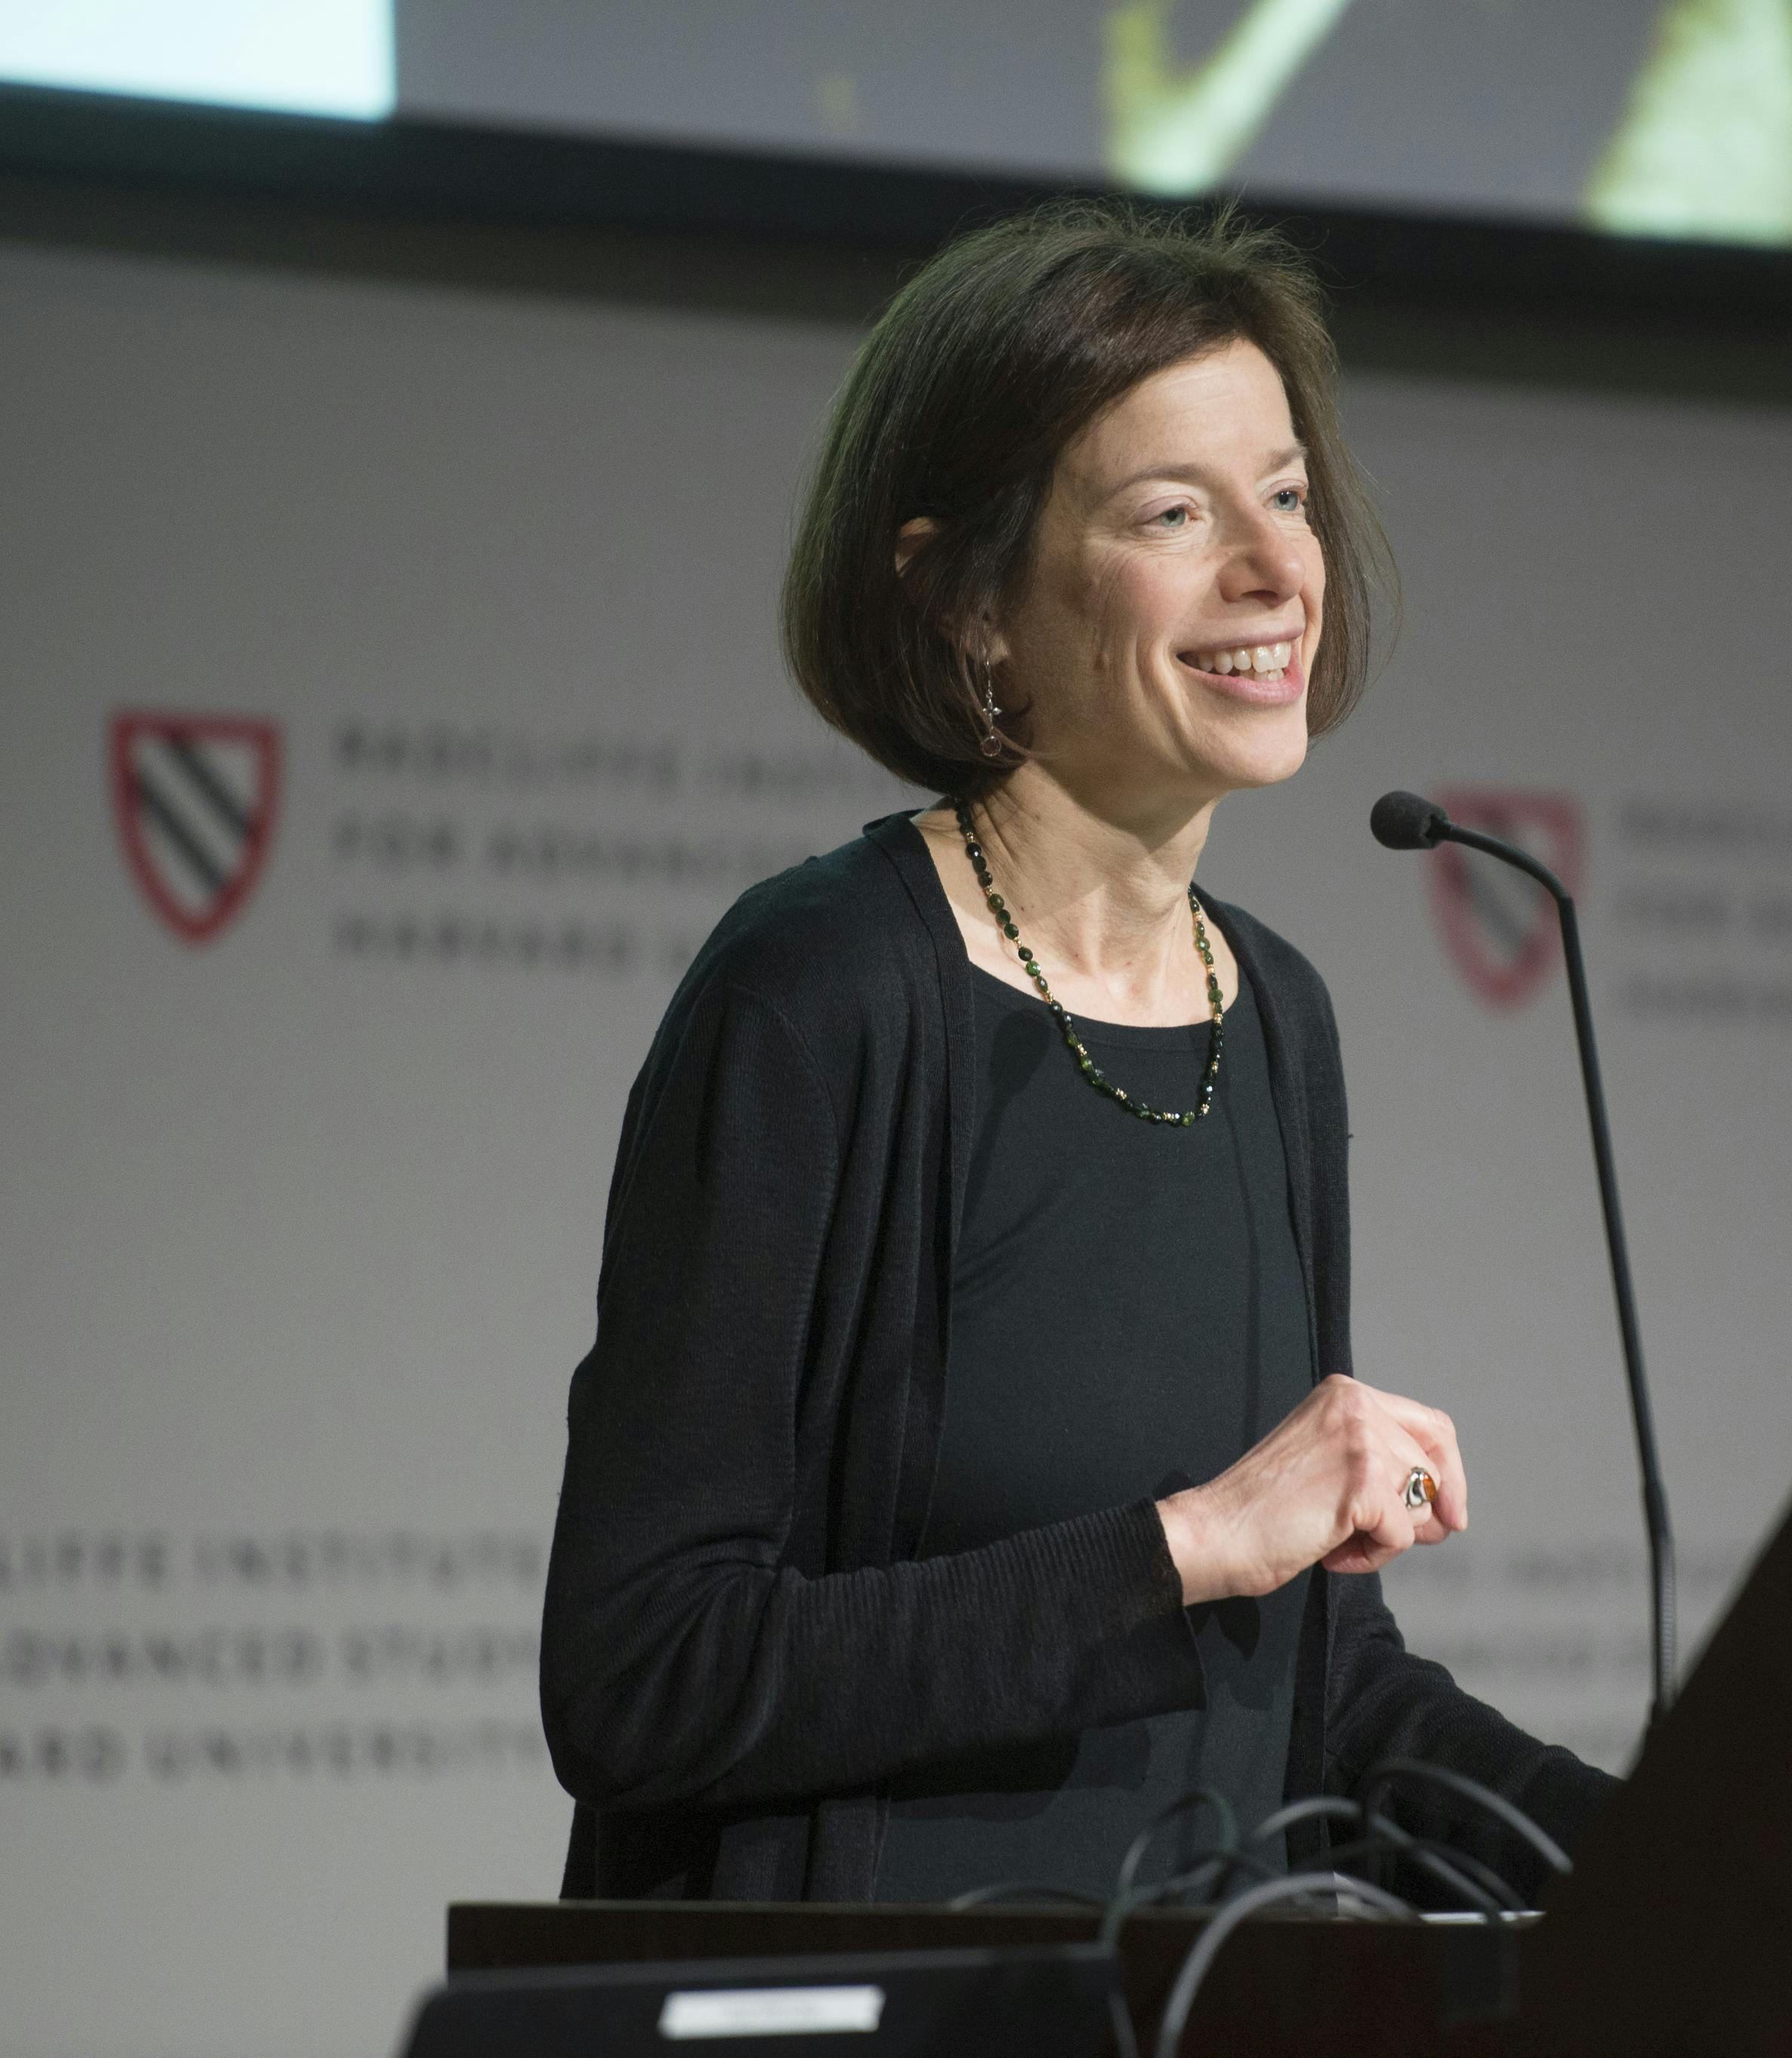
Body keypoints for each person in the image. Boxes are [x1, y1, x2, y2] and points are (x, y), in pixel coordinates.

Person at [539, 199, 1615, 1907]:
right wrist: (1181, 1549)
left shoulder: (1276, 1019)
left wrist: (1690, 1858)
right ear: (968, 599)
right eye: (1174, 512)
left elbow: (1318, 1685)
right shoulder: (820, 993)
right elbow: (646, 1668)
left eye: (1286, 493)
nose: (1274, 569)